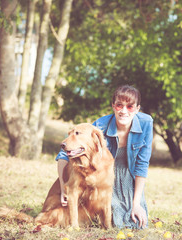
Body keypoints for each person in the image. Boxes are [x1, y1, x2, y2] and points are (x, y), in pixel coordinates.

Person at [55, 85, 153, 229]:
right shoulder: (101, 125)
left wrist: (136, 204)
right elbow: (64, 153)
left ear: (137, 109)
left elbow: (142, 165)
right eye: (119, 105)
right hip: (105, 175)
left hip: (129, 176)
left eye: (130, 107)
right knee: (114, 220)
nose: (124, 111)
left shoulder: (146, 123)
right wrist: (63, 186)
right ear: (113, 106)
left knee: (136, 223)